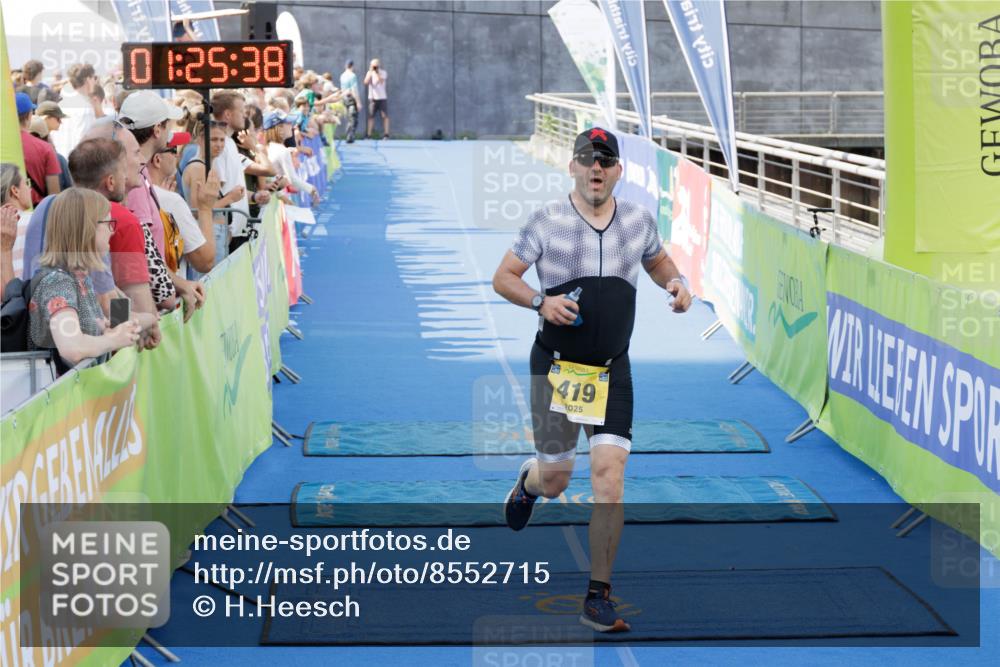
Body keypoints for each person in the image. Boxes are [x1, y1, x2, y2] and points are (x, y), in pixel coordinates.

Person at [492, 128, 692, 633]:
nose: (596, 168)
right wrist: (540, 302)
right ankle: (530, 481)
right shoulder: (546, 221)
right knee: (556, 481)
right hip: (559, 368)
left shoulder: (638, 221)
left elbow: (657, 260)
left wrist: (676, 282)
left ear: (618, 170)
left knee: (609, 477)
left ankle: (597, 597)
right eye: (587, 159)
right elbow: (504, 277)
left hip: (612, 369)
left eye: (605, 160)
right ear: (573, 167)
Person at [27, 188, 141, 371]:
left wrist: (106, 332)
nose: (112, 231)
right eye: (108, 223)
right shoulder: (58, 282)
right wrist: (113, 338)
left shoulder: (80, 276)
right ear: (87, 229)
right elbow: (72, 348)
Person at [146, 133, 219, 275]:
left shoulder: (137, 192)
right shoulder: (171, 201)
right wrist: (205, 208)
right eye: (173, 150)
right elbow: (205, 262)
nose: (178, 155)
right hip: (171, 286)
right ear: (157, 160)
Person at [180, 121, 245, 270]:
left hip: (216, 233)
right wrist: (230, 198)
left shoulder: (208, 165)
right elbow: (197, 210)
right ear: (200, 140)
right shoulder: (198, 168)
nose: (219, 145)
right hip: (208, 234)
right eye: (214, 139)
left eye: (222, 140)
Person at [263, 111, 319, 206]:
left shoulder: (270, 147)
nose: (292, 126)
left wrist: (282, 196)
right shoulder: (282, 151)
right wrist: (312, 189)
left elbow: (272, 178)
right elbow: (292, 179)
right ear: (279, 128)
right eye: (288, 123)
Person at [17, 92, 62, 205]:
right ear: (29, 116)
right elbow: (54, 195)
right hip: (36, 211)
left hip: (5, 211)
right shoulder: (45, 148)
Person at [50, 63, 98, 156]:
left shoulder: (61, 104)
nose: (95, 81)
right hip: (76, 160)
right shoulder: (85, 108)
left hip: (60, 158)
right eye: (94, 78)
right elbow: (84, 142)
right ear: (88, 79)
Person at [0, 163, 35, 284]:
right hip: (30, 291)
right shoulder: (34, 220)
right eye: (26, 183)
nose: (30, 189)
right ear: (15, 190)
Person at [363, 58, 389, 140]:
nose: (374, 67)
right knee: (371, 116)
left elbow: (381, 81)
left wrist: (377, 73)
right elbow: (365, 82)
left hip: (382, 97)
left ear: (378, 65)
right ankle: (369, 135)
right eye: (373, 65)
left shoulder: (383, 72)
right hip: (372, 98)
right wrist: (370, 73)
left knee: (384, 116)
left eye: (375, 65)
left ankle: (386, 134)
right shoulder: (369, 73)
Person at [339, 60, 360, 143]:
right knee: (353, 118)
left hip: (344, 98)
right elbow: (354, 89)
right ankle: (350, 136)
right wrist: (358, 102)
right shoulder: (352, 75)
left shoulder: (342, 75)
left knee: (348, 118)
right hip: (351, 98)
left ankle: (349, 135)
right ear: (352, 66)